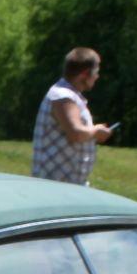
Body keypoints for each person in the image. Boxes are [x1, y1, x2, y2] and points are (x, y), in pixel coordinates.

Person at [31, 48, 118, 186]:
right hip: (54, 187)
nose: (97, 77)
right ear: (84, 74)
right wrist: (96, 131)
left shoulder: (70, 96)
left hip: (67, 185)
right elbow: (75, 133)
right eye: (95, 72)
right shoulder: (62, 96)